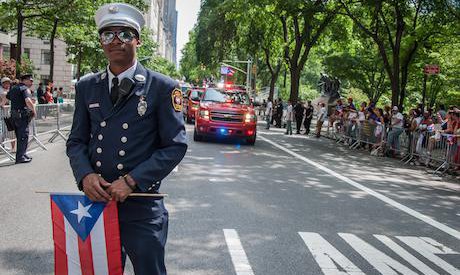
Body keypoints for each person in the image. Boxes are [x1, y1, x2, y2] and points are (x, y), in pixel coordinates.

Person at [66, 3, 187, 275]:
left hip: (142, 205)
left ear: (138, 40)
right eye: (107, 35)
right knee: (98, 271)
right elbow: (76, 141)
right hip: (96, 202)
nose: (115, 41)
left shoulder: (163, 87)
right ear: (101, 42)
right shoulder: (87, 86)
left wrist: (132, 181)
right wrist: (85, 176)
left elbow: (175, 145)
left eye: (124, 34)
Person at [6, 74, 36, 164]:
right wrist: (33, 110)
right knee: (23, 135)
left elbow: (7, 97)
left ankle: (23, 154)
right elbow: (28, 101)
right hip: (21, 116)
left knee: (19, 136)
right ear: (24, 80)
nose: (31, 82)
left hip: (14, 115)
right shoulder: (24, 89)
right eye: (30, 80)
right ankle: (20, 157)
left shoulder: (14, 88)